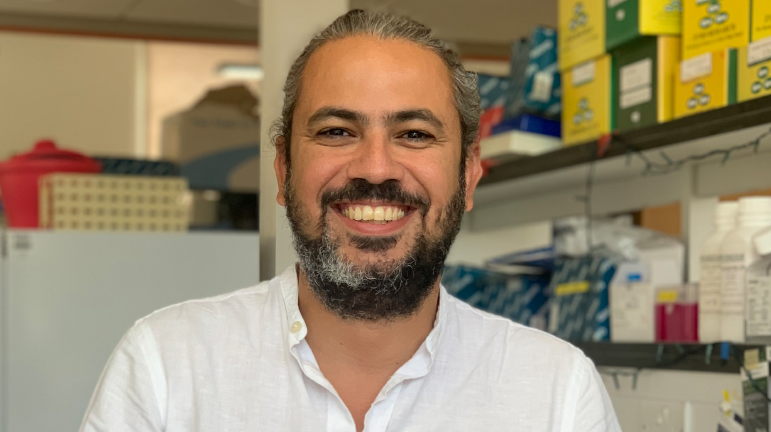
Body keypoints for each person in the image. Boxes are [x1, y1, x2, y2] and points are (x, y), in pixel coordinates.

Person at [80, 10, 621, 432]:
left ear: (468, 176)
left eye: (414, 134)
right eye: (338, 131)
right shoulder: (166, 367)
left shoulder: (556, 390)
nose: (376, 169)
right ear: (284, 170)